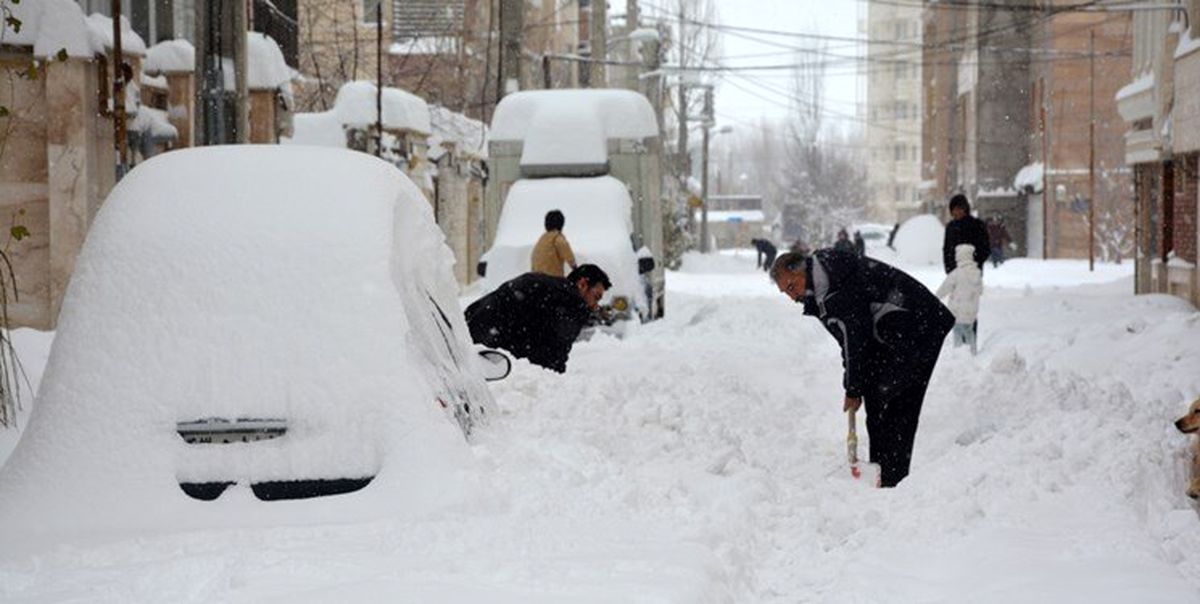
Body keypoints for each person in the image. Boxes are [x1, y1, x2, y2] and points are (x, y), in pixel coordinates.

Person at [770, 250, 954, 487]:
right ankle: (882, 473)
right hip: (898, 330)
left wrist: (853, 389)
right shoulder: (823, 283)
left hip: (917, 326)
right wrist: (857, 384)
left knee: (893, 399)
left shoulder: (833, 285)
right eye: (785, 292)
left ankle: (891, 481)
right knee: (877, 396)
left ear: (801, 269)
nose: (792, 297)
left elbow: (855, 337)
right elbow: (849, 340)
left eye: (791, 287)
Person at [465, 264, 610, 373]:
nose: (595, 306)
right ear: (583, 284)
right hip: (490, 356)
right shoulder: (571, 303)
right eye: (596, 297)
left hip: (468, 332)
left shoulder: (545, 284)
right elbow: (553, 356)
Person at [936, 244, 983, 355]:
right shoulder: (977, 273)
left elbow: (944, 288)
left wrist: (935, 297)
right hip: (971, 311)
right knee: (969, 333)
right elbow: (980, 291)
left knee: (958, 334)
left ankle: (958, 356)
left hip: (958, 311)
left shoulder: (956, 273)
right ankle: (972, 353)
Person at [942, 194, 990, 275]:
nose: (957, 212)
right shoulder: (950, 227)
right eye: (954, 209)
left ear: (965, 209)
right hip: (954, 271)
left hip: (973, 270)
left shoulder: (977, 225)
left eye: (960, 209)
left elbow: (985, 247)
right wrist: (949, 268)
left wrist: (975, 262)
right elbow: (947, 249)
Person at [531, 210, 577, 277]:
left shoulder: (542, 239)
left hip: (536, 277)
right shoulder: (557, 237)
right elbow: (567, 252)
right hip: (551, 278)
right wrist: (574, 267)